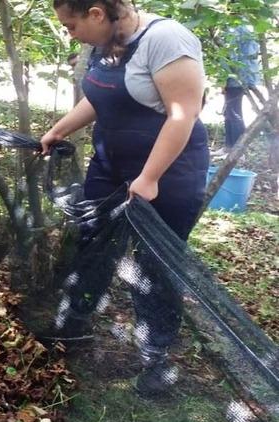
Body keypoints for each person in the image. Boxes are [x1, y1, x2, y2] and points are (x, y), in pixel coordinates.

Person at [39, 0, 209, 396]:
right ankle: (74, 326)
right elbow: (100, 97)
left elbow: (183, 114)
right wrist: (60, 129)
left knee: (155, 267)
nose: (70, 33)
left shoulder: (166, 40)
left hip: (169, 176)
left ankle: (156, 360)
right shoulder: (109, 39)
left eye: (70, 25)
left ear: (96, 13)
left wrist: (149, 177)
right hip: (110, 167)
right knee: (93, 246)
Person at [213, 24, 262, 158]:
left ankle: (237, 151)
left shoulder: (234, 28)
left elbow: (231, 57)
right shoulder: (247, 26)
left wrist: (223, 79)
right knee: (230, 111)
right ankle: (229, 147)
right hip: (243, 76)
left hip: (236, 77)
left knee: (233, 113)